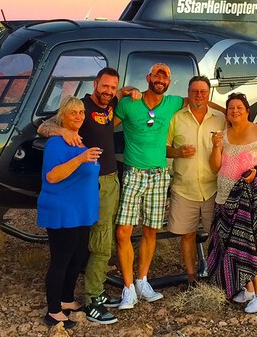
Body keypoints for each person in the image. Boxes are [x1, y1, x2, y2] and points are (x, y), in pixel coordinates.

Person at [37, 67, 137, 325]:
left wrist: (130, 91)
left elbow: (120, 93)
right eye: (105, 86)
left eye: (113, 88)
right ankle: (93, 296)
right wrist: (63, 131)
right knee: (97, 243)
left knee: (88, 244)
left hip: (105, 183)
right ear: (95, 84)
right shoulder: (79, 107)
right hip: (87, 190)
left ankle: (73, 296)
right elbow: (44, 126)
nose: (109, 91)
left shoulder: (111, 101)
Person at [113, 63, 186, 309]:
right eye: (157, 74)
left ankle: (142, 281)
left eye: (165, 76)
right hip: (134, 174)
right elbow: (105, 125)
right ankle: (128, 288)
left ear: (169, 82)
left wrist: (249, 121)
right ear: (148, 78)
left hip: (159, 175)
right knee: (123, 231)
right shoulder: (128, 103)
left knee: (150, 230)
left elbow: (200, 102)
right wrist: (121, 91)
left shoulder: (173, 102)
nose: (161, 79)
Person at [207, 92, 257, 314]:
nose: (235, 111)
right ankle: (249, 289)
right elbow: (215, 167)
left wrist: (256, 173)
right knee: (232, 244)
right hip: (224, 198)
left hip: (250, 198)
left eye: (239, 107)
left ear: (247, 110)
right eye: (231, 108)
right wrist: (215, 146)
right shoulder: (223, 135)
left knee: (248, 245)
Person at [37, 96, 102, 330]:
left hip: (81, 213)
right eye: (73, 112)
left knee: (77, 258)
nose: (78, 116)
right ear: (63, 116)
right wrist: (81, 159)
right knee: (61, 260)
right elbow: (52, 176)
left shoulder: (78, 141)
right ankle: (53, 311)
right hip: (63, 212)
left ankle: (66, 298)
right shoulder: (57, 143)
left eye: (81, 112)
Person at [165, 76, 226, 288]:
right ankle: (192, 279)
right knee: (187, 235)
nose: (198, 95)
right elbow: (164, 147)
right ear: (188, 93)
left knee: (217, 235)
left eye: (202, 91)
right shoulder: (176, 118)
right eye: (194, 91)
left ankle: (219, 275)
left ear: (208, 94)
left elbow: (239, 134)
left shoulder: (220, 119)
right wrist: (178, 152)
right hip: (184, 187)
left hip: (213, 188)